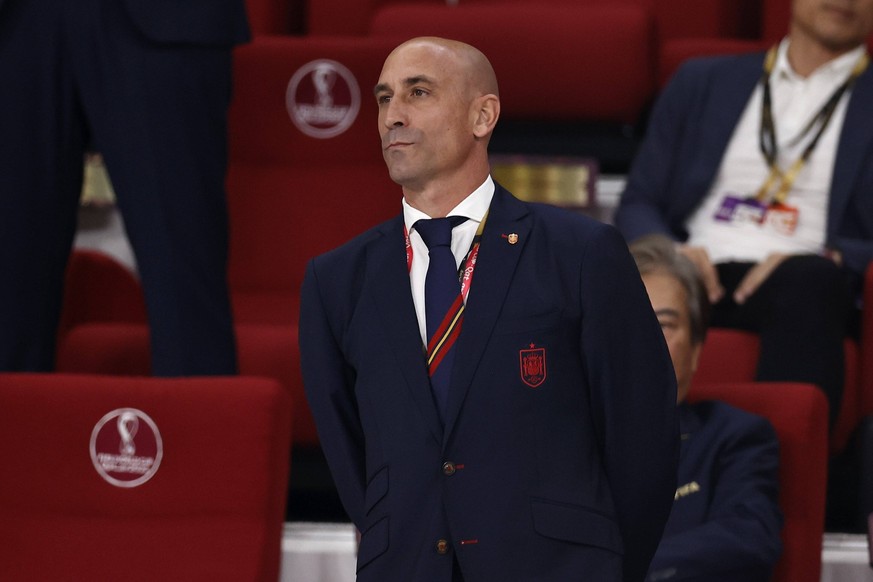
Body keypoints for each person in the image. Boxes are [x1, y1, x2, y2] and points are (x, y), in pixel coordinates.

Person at [299, 36, 679, 582]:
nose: (392, 117)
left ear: (483, 115)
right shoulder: (335, 281)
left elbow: (642, 435)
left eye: (418, 92)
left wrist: (606, 566)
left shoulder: (580, 253)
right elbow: (351, 458)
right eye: (384, 99)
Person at [614, 0, 873, 427]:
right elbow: (639, 200)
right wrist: (672, 253)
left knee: (812, 281)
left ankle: (775, 483)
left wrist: (837, 258)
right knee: (637, 283)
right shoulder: (702, 81)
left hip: (803, 277)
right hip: (695, 268)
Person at [0, 0, 247, 375]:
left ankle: (199, 431)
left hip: (165, 18)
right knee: (10, 285)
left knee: (182, 287)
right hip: (18, 20)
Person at [630, 235, 783, 582]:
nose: (644, 340)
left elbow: (749, 538)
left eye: (664, 324)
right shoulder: (556, 439)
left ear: (697, 348)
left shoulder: (734, 438)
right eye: (626, 321)